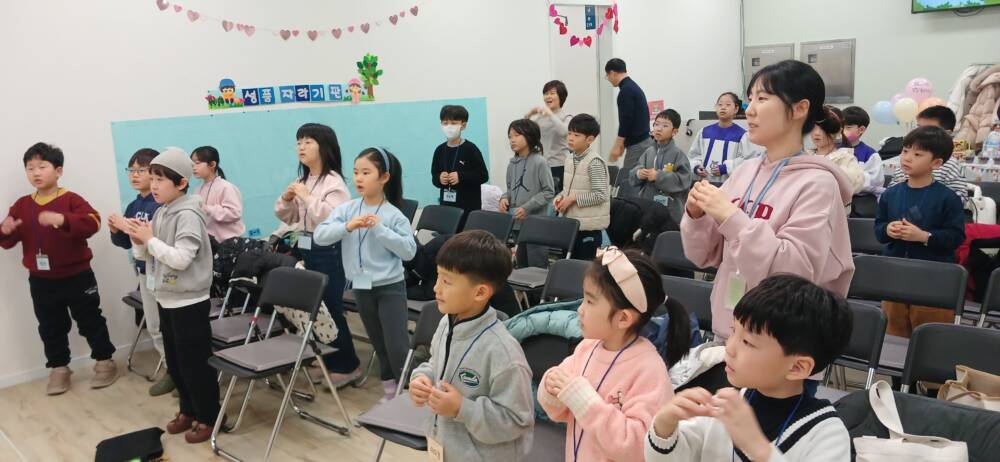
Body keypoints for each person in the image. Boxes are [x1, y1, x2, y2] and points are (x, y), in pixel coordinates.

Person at [681, 59, 855, 340]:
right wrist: (697, 217)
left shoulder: (818, 183)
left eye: (762, 99)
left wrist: (730, 217)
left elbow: (794, 273)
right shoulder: (745, 172)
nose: (749, 110)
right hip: (730, 329)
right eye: (750, 99)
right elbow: (703, 256)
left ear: (799, 109)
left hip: (781, 341)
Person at [645, 275, 853, 462]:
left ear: (797, 367)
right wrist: (665, 425)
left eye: (747, 342)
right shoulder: (727, 404)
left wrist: (758, 449)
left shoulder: (827, 434)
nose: (730, 347)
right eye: (733, 331)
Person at [539, 248, 690, 461]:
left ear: (623, 318)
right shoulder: (587, 348)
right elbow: (558, 411)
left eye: (590, 301)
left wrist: (583, 399)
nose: (580, 309)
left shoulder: (649, 371)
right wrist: (551, 387)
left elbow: (638, 447)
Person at [2, 141, 119, 396]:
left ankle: (105, 361)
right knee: (50, 326)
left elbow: (93, 222)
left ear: (58, 171)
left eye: (42, 166)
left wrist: (63, 219)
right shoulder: (22, 205)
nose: (36, 172)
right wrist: (5, 230)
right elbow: (7, 240)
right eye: (30, 168)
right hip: (41, 280)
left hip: (77, 276)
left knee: (90, 320)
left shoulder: (71, 199)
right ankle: (59, 368)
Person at [409, 231, 534, 461]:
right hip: (446, 447)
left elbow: (518, 421)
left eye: (447, 281)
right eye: (438, 277)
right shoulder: (447, 322)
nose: (436, 288)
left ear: (480, 292)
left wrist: (462, 409)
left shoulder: (503, 352)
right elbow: (436, 362)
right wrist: (422, 378)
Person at [122, 148, 219, 444]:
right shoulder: (162, 211)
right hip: (166, 297)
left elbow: (180, 259)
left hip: (189, 301)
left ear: (182, 183)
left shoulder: (188, 214)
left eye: (160, 179)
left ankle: (210, 417)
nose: (153, 185)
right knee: (176, 363)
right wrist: (138, 240)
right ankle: (188, 410)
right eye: (151, 178)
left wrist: (149, 239)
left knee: (195, 364)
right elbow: (148, 256)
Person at [313, 147, 417, 402]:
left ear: (384, 177)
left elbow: (409, 251)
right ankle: (390, 393)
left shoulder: (394, 215)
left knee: (397, 346)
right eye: (356, 172)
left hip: (389, 287)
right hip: (361, 286)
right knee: (378, 343)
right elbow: (320, 236)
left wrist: (381, 230)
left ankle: (409, 396)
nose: (358, 178)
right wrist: (346, 227)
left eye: (366, 172)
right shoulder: (347, 210)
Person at [275, 123, 361, 384]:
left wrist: (307, 198)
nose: (301, 147)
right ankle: (325, 360)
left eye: (308, 142)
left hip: (329, 250)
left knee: (331, 307)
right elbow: (289, 216)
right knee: (313, 308)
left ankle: (348, 365)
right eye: (299, 142)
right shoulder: (304, 181)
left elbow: (333, 219)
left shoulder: (334, 182)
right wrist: (287, 199)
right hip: (307, 245)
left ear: (324, 147)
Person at [876, 126, 965, 337]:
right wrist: (888, 229)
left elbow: (956, 237)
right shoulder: (890, 194)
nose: (907, 157)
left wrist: (924, 237)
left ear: (936, 163)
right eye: (905, 151)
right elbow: (878, 229)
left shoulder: (948, 198)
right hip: (896, 276)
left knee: (931, 336)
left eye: (917, 154)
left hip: (933, 280)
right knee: (892, 336)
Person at [108, 148, 174, 396]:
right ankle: (171, 370)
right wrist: (116, 230)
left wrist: (131, 229)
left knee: (171, 326)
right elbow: (125, 244)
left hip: (167, 273)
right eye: (131, 170)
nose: (135, 175)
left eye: (141, 170)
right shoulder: (134, 205)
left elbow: (162, 240)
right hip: (145, 272)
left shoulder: (162, 204)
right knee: (155, 325)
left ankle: (181, 372)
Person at [555, 114, 610, 261]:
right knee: (566, 266)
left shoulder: (594, 162)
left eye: (576, 135)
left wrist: (573, 199)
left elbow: (600, 195)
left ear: (590, 139)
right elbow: (569, 189)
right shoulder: (569, 158)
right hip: (570, 225)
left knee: (583, 269)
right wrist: (561, 198)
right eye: (569, 133)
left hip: (588, 229)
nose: (570, 138)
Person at [500, 118, 555, 267]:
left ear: (530, 136)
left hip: (536, 224)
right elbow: (510, 190)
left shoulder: (540, 162)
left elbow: (548, 192)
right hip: (516, 224)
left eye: (517, 135)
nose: (512, 140)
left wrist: (527, 207)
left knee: (537, 266)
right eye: (510, 137)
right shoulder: (512, 164)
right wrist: (504, 198)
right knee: (521, 265)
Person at [630, 109, 694, 224]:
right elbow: (634, 174)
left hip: (670, 211)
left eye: (665, 126)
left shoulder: (678, 154)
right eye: (656, 124)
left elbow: (684, 180)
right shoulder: (648, 152)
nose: (659, 129)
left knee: (666, 234)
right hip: (647, 206)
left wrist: (658, 176)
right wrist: (639, 173)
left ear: (674, 132)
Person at [887, 105, 967, 197]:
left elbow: (960, 198)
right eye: (918, 128)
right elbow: (889, 192)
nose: (920, 134)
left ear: (947, 134)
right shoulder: (906, 163)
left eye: (928, 130)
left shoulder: (951, 166)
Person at [431, 104, 489, 230]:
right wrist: (439, 178)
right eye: (445, 123)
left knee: (467, 238)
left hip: (469, 209)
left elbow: (483, 175)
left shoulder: (471, 149)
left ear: (463, 125)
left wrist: (461, 177)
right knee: (448, 237)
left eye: (453, 123)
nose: (449, 126)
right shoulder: (439, 150)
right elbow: (434, 177)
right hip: (447, 208)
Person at [605, 58, 653, 198]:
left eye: (607, 75)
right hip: (643, 142)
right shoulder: (633, 87)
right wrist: (622, 145)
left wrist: (617, 145)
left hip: (638, 145)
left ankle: (629, 208)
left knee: (628, 181)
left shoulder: (625, 91)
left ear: (613, 73)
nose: (608, 79)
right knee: (636, 179)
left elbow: (626, 121)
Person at [688, 92, 760, 183]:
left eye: (728, 105)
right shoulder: (704, 132)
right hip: (704, 184)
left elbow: (749, 160)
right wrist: (696, 167)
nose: (723, 107)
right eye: (720, 104)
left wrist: (726, 168)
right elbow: (693, 155)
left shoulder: (742, 135)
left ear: (736, 108)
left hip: (730, 185)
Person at [191, 146, 245, 242]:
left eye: (197, 163)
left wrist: (207, 209)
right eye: (192, 164)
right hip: (210, 243)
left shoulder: (226, 187)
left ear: (212, 164)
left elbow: (235, 213)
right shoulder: (197, 190)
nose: (193, 167)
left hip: (230, 243)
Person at [807, 106, 865, 196]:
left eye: (823, 128)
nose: (816, 133)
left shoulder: (846, 158)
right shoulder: (805, 156)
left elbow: (854, 185)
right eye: (813, 127)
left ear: (838, 131)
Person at [527, 80, 573, 192]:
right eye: (546, 93)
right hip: (541, 165)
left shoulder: (567, 116)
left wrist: (550, 114)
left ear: (561, 96)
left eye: (552, 93)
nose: (548, 96)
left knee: (557, 198)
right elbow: (524, 131)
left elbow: (564, 132)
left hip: (559, 165)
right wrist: (529, 114)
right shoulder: (541, 118)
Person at [841, 106, 885, 196]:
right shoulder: (833, 149)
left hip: (860, 200)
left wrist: (850, 180)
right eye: (840, 127)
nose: (842, 131)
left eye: (848, 127)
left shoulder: (870, 154)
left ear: (861, 130)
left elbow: (876, 181)